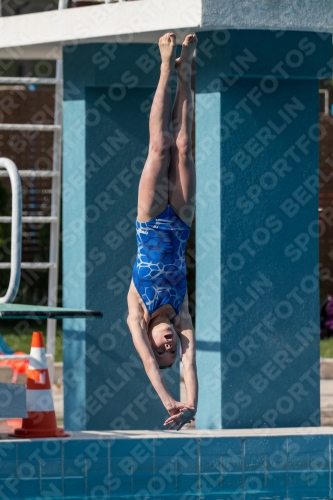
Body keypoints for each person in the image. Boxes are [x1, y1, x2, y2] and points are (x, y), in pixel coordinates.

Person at [127, 32, 198, 431]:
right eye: (173, 349)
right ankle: (185, 70)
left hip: (151, 218)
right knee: (184, 146)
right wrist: (189, 405)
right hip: (182, 219)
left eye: (163, 350)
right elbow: (190, 362)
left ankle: (163, 67)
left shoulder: (137, 314)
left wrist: (168, 399)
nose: (171, 345)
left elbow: (147, 365)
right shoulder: (182, 313)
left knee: (159, 146)